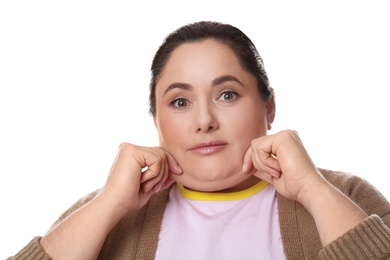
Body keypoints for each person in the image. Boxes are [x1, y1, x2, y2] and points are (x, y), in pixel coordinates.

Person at [8, 21, 390, 260]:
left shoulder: (345, 196)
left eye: (227, 95)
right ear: (156, 121)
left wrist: (312, 189)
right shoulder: (103, 214)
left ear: (269, 106)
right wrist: (109, 205)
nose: (204, 121)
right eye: (179, 102)